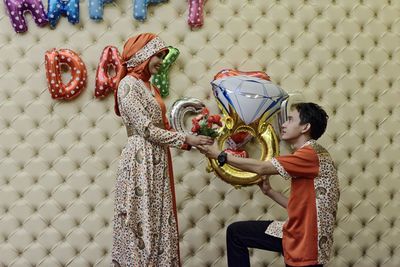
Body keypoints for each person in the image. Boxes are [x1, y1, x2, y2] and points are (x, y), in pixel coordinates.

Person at [112, 33, 213, 267]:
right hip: (140, 159)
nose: (161, 61)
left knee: (158, 219)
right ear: (143, 55)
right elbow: (146, 130)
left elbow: (163, 128)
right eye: (158, 55)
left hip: (157, 157)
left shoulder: (149, 86)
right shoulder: (127, 85)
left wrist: (196, 140)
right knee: (141, 220)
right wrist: (186, 139)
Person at [198, 102, 340, 267]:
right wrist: (269, 191)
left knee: (236, 233)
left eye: (290, 120)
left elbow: (262, 167)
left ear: (305, 127)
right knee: (236, 233)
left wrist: (220, 155)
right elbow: (299, 209)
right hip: (297, 233)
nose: (284, 124)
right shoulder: (312, 154)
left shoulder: (311, 154)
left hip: (306, 243)